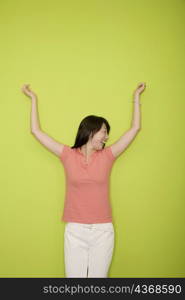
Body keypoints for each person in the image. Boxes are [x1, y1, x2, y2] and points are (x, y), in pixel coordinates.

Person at [21, 82, 146, 277]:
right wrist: (33, 99)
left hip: (103, 230)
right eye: (104, 131)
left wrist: (136, 96)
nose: (106, 136)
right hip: (75, 229)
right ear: (90, 131)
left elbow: (135, 128)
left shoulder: (108, 156)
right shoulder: (67, 155)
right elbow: (36, 131)